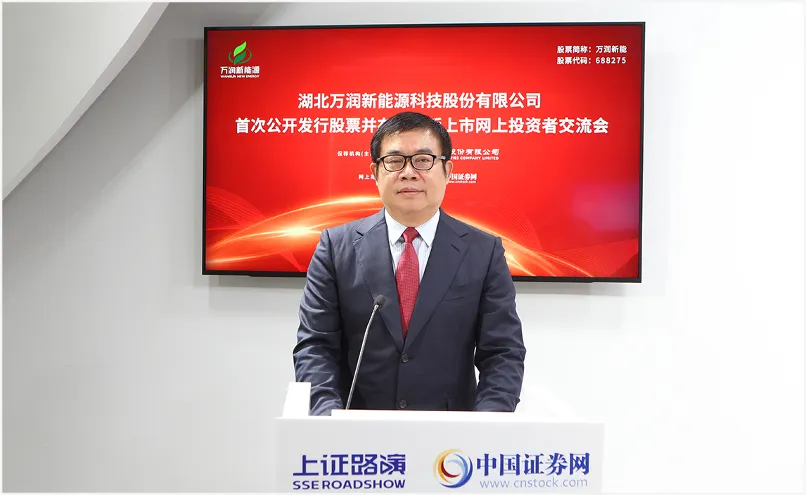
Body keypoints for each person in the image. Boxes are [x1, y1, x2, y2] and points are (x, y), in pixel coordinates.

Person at [292, 111, 526, 415]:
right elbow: (315, 346)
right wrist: (328, 420)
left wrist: (485, 425)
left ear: (447, 170)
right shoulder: (336, 247)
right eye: (394, 161)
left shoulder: (483, 252)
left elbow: (503, 352)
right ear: (375, 172)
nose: (408, 173)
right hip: (357, 428)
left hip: (451, 434)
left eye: (423, 160)